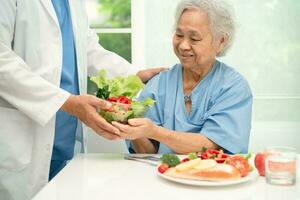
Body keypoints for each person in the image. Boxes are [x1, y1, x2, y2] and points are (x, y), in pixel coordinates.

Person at [0, 1, 163, 199]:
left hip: (67, 143)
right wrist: (66, 102)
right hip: (25, 139)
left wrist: (132, 75)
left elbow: (86, 47)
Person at [113, 0, 253, 155]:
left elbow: (212, 146)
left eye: (194, 39)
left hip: (213, 177)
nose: (183, 45)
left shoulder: (233, 86)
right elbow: (147, 153)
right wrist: (129, 124)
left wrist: (155, 132)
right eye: (179, 35)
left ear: (220, 41)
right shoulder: (159, 83)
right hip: (161, 177)